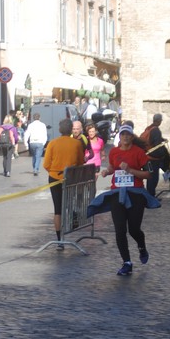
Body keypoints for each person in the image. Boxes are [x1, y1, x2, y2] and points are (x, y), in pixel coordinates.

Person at [88, 124, 159, 275]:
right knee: (120, 229)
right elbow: (114, 167)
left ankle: (141, 246)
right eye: (123, 134)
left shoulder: (139, 153)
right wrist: (108, 171)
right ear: (119, 137)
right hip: (117, 193)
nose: (125, 137)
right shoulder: (114, 152)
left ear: (132, 137)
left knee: (134, 229)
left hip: (135, 194)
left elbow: (148, 174)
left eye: (128, 134)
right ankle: (127, 262)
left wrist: (131, 170)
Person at [43, 118, 85, 250]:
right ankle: (73, 216)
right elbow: (80, 162)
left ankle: (59, 239)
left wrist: (55, 171)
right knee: (70, 201)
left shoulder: (53, 143)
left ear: (60, 129)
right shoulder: (76, 144)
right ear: (70, 129)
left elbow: (46, 164)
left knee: (57, 209)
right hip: (70, 178)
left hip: (55, 178)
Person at [141, 113, 166, 197]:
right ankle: (151, 197)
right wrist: (162, 156)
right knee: (154, 179)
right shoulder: (156, 130)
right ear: (159, 121)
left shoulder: (149, 128)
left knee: (150, 178)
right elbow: (157, 145)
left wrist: (162, 139)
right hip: (153, 158)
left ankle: (150, 195)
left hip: (147, 156)